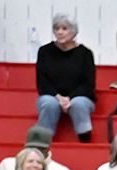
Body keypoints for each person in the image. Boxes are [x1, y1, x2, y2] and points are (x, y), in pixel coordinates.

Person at [35, 13, 97, 142]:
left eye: (64, 29)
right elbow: (42, 82)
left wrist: (69, 98)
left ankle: (85, 140)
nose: (60, 32)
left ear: (73, 31)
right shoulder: (44, 52)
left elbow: (89, 84)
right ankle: (42, 142)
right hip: (51, 96)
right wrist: (59, 97)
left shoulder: (85, 53)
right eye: (57, 29)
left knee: (78, 104)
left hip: (80, 96)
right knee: (49, 104)